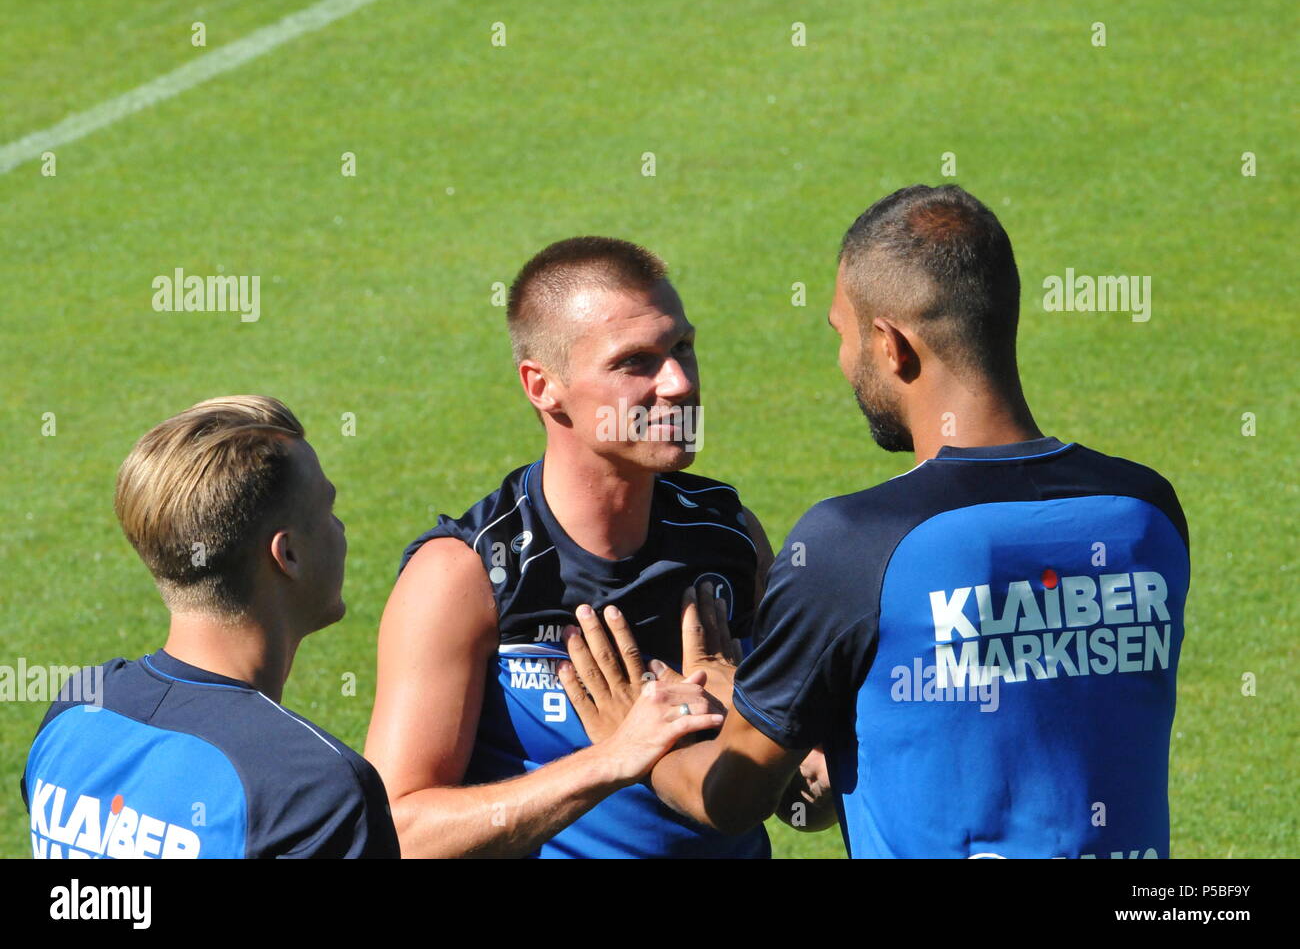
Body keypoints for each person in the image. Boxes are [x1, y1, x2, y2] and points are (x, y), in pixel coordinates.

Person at [567, 185, 1191, 859]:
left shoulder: (858, 546)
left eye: (845, 333)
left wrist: (635, 738)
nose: (843, 362)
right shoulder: (1146, 513)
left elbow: (732, 795)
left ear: (893, 345)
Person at [365, 236, 794, 858]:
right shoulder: (466, 576)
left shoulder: (728, 536)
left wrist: (771, 729)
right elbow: (399, 834)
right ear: (543, 386)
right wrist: (614, 758)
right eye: (634, 363)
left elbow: (801, 798)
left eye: (683, 348)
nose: (677, 383)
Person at [21, 396, 399, 858]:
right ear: (289, 556)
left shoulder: (78, 708)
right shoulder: (314, 790)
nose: (340, 530)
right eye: (327, 509)